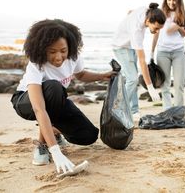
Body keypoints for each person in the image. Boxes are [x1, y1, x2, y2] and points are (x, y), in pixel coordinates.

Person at [10, 19, 116, 175]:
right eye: (52, 52)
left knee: (88, 135)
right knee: (54, 87)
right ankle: (42, 145)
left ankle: (53, 131)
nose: (59, 57)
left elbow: (80, 74)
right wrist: (56, 152)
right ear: (41, 49)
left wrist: (102, 75)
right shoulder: (36, 64)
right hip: (26, 102)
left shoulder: (73, 56)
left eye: (63, 51)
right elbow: (39, 109)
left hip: (56, 101)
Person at [112, 3, 166, 120]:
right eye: (156, 28)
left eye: (159, 29)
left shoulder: (148, 11)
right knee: (133, 79)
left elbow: (130, 11)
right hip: (121, 46)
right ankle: (117, 110)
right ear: (148, 21)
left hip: (129, 45)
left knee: (132, 78)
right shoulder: (137, 31)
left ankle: (134, 111)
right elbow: (142, 61)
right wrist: (150, 87)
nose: (156, 31)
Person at [151, 0, 185, 110]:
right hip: (163, 52)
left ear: (178, 0)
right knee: (165, 84)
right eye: (169, 0)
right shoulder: (161, 13)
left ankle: (178, 111)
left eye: (174, 0)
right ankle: (167, 110)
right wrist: (151, 53)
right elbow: (156, 33)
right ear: (166, 0)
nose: (171, 2)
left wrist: (178, 28)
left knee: (179, 84)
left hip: (178, 52)